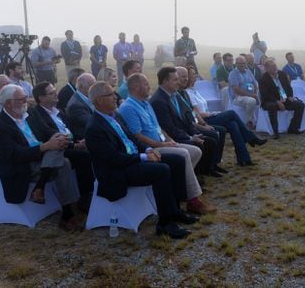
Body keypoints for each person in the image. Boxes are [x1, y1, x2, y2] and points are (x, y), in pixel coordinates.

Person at [85, 81, 198, 239]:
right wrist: (144, 157)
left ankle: (175, 211)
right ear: (99, 101)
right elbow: (113, 159)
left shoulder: (115, 115)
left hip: (132, 159)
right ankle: (165, 224)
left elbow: (131, 138)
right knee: (161, 170)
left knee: (177, 160)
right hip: (117, 171)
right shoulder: (94, 128)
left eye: (114, 92)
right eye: (110, 94)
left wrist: (148, 149)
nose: (115, 97)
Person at [0, 84, 82, 231]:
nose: (26, 102)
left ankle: (40, 188)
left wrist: (58, 136)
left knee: (59, 150)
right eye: (21, 99)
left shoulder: (30, 114)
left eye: (26, 98)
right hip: (23, 166)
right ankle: (67, 211)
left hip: (43, 157)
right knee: (63, 163)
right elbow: (15, 155)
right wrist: (45, 147)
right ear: (7, 103)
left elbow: (47, 130)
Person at [119, 73, 214, 214]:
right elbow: (137, 136)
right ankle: (193, 200)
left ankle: (179, 189)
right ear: (135, 87)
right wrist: (162, 145)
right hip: (151, 149)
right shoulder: (128, 107)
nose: (149, 86)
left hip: (162, 143)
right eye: (145, 84)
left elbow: (158, 127)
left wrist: (170, 140)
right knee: (183, 154)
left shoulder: (146, 103)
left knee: (196, 151)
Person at [28, 81, 94, 204]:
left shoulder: (58, 111)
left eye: (55, 91)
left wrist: (80, 140)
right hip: (57, 149)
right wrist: (73, 145)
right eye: (51, 93)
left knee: (95, 147)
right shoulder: (37, 114)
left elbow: (71, 130)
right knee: (84, 156)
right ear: (41, 98)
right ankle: (86, 196)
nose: (56, 94)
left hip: (71, 144)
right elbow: (45, 135)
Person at [185, 66, 266, 166]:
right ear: (187, 77)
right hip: (204, 120)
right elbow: (198, 114)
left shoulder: (194, 90)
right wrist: (214, 113)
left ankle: (244, 158)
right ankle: (250, 137)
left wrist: (214, 113)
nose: (195, 76)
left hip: (209, 116)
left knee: (233, 125)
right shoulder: (188, 93)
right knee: (231, 113)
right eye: (193, 74)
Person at [151, 67, 222, 177]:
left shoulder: (172, 95)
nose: (178, 82)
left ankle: (205, 170)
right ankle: (197, 178)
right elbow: (169, 128)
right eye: (175, 80)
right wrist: (190, 137)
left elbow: (187, 118)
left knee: (210, 140)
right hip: (173, 137)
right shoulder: (159, 100)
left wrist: (195, 131)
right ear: (165, 81)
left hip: (182, 132)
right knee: (202, 143)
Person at [174, 66, 227, 173]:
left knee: (227, 127)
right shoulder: (178, 94)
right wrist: (202, 125)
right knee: (218, 130)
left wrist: (202, 124)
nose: (187, 79)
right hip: (192, 126)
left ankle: (214, 163)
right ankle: (208, 167)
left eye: (187, 76)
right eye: (184, 76)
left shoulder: (183, 93)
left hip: (198, 122)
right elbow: (191, 115)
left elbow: (192, 112)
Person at [259, 59, 305, 138]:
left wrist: (290, 96)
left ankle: (293, 128)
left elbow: (289, 87)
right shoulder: (263, 78)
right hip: (270, 101)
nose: (275, 68)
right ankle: (276, 132)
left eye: (275, 65)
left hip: (284, 98)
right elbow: (265, 95)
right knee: (272, 107)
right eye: (272, 66)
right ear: (267, 68)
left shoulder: (282, 74)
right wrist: (277, 102)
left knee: (300, 105)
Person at [228, 56, 261, 129]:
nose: (242, 65)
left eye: (243, 63)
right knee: (251, 101)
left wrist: (255, 93)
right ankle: (249, 121)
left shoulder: (248, 71)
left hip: (251, 94)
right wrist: (251, 95)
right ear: (236, 64)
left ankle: (262, 122)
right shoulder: (233, 73)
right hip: (238, 97)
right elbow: (236, 89)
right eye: (240, 63)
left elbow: (255, 83)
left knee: (262, 97)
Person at [64, 72, 97, 141]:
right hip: (87, 139)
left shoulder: (87, 97)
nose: (95, 88)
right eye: (92, 85)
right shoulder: (75, 106)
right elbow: (92, 123)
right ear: (81, 87)